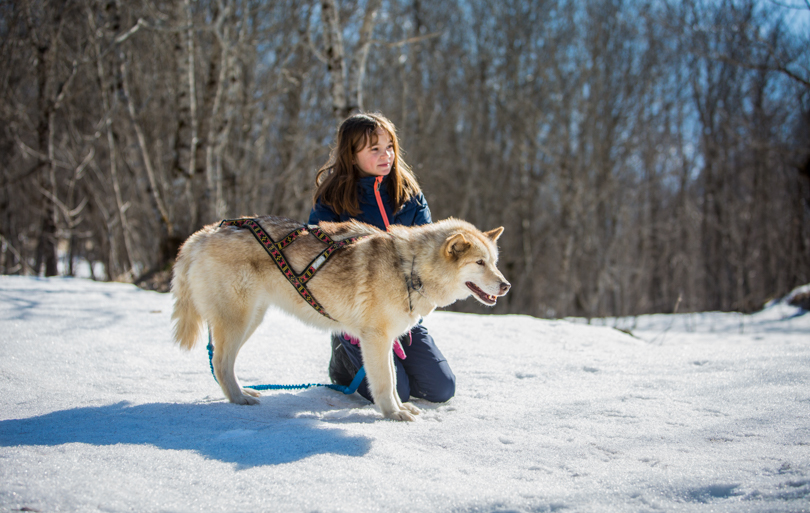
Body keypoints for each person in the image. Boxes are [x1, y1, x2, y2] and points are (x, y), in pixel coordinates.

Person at [308, 112, 456, 405]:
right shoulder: (332, 199)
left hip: (404, 315)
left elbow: (429, 265)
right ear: (351, 156)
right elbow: (317, 264)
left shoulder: (410, 195)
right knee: (397, 392)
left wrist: (414, 318)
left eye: (390, 146)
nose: (385, 155)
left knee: (440, 389)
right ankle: (343, 359)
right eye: (374, 149)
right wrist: (348, 325)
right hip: (355, 319)